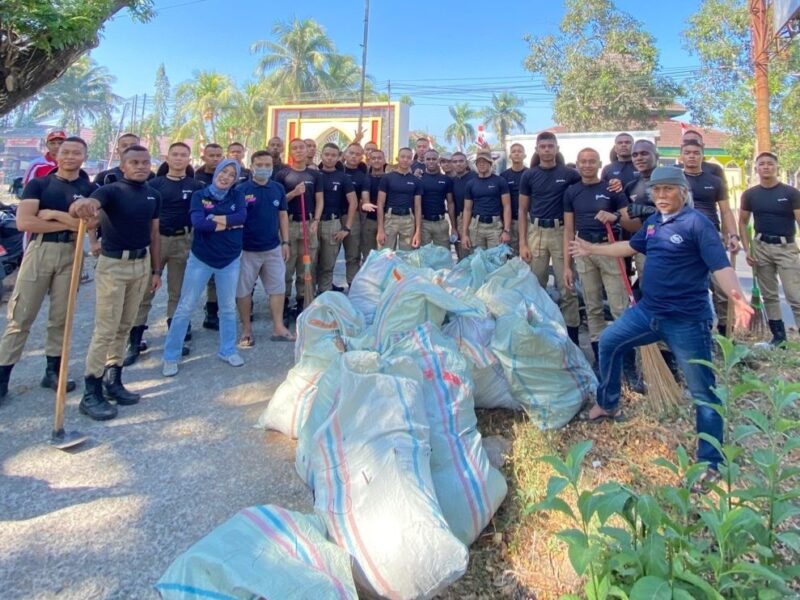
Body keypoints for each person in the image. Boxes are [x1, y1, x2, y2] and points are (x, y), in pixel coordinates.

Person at [570, 167, 752, 483]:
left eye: (669, 189)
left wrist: (737, 298)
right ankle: (609, 403)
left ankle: (711, 463)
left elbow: (720, 265)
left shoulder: (698, 224)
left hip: (687, 321)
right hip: (648, 312)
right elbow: (630, 247)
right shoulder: (653, 223)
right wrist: (590, 249)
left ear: (683, 192)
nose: (662, 196)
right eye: (657, 190)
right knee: (610, 340)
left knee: (702, 391)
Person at [69, 145, 162, 421]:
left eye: (145, 162)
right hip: (113, 265)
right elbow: (87, 206)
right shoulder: (110, 190)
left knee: (125, 325)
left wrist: (156, 270)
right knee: (106, 328)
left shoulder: (152, 195)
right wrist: (80, 206)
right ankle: (91, 392)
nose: (141, 166)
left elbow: (154, 235)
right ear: (123, 166)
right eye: (134, 162)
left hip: (141, 263)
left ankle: (113, 380)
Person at [0, 137, 92, 401]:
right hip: (40, 251)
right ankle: (3, 374)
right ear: (56, 155)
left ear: (84, 157)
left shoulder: (88, 187)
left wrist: (53, 215)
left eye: (76, 152)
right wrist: (70, 222)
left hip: (72, 253)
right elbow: (25, 222)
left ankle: (53, 371)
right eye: (65, 152)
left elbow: (91, 225)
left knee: (62, 317)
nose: (70, 157)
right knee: (21, 316)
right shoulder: (39, 184)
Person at [161, 159, 247, 377]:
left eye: (231, 174)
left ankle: (227, 350)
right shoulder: (200, 195)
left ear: (235, 179)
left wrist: (215, 219)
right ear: (216, 172)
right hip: (201, 259)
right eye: (223, 172)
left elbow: (242, 217)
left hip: (229, 260)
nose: (226, 177)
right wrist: (229, 223)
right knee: (185, 307)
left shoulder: (237, 195)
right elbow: (199, 223)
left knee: (227, 308)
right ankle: (171, 355)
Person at [124, 142, 204, 365]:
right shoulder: (153, 184)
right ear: (167, 158)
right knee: (145, 292)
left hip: (184, 241)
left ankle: (176, 338)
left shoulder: (195, 186)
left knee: (178, 292)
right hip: (157, 240)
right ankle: (134, 341)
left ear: (190, 159)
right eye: (175, 154)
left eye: (184, 155)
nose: (179, 158)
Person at [562, 148, 629, 367]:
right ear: (578, 164)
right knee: (593, 306)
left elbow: (627, 218)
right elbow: (568, 230)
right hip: (583, 249)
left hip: (609, 248)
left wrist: (615, 216)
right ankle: (600, 356)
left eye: (592, 161)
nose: (588, 165)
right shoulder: (571, 192)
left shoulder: (611, 189)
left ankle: (625, 357)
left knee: (619, 306)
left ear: (599, 164)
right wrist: (567, 266)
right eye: (583, 161)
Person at [518, 132, 581, 344]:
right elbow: (522, 209)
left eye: (550, 146)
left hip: (561, 232)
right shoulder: (529, 175)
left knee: (567, 286)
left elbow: (589, 187)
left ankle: (571, 338)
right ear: (537, 149)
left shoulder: (570, 174)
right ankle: (540, 333)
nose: (546, 150)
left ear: (557, 148)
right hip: (536, 232)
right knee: (536, 285)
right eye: (542, 146)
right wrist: (523, 243)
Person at [739, 152, 800, 346]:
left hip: (786, 247)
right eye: (762, 164)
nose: (766, 167)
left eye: (770, 164)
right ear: (756, 168)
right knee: (770, 296)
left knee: (795, 296)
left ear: (777, 167)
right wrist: (747, 249)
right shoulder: (750, 195)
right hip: (761, 247)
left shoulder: (791, 193)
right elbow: (742, 222)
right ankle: (779, 338)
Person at [681, 139, 739, 336]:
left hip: (711, 237)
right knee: (693, 288)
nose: (691, 156)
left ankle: (725, 333)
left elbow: (726, 211)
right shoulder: (675, 180)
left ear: (702, 155)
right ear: (681, 156)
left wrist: (732, 235)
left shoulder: (714, 181)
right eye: (687, 152)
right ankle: (700, 332)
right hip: (685, 239)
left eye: (696, 152)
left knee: (722, 289)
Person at [235, 151, 294, 346]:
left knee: (277, 288)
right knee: (243, 291)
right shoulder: (240, 190)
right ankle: (246, 330)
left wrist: (285, 242)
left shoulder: (277, 188)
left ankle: (278, 327)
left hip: (273, 249)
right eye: (259, 164)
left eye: (267, 165)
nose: (264, 168)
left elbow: (283, 215)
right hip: (246, 250)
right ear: (252, 167)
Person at [274, 139, 323, 318]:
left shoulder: (315, 175)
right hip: (289, 224)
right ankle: (284, 303)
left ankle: (303, 301)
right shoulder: (282, 174)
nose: (299, 151)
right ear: (290, 152)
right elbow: (278, 202)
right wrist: (294, 193)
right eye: (295, 148)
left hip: (308, 223)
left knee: (306, 266)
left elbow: (320, 200)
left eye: (302, 147)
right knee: (286, 266)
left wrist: (316, 221)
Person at [315, 143, 357, 293]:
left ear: (339, 157)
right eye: (327, 154)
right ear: (321, 155)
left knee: (328, 264)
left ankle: (325, 296)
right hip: (313, 223)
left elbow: (353, 202)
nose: (330, 158)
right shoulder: (313, 174)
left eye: (333, 155)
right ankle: (305, 299)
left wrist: (347, 228)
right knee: (310, 264)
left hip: (332, 223)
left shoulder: (343, 178)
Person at [462, 150, 511, 251]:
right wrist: (465, 234)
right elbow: (467, 209)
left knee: (497, 261)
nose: (482, 164)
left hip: (495, 227)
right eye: (479, 161)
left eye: (485, 161)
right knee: (477, 261)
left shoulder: (500, 181)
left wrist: (506, 230)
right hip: (476, 227)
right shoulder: (470, 184)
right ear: (476, 164)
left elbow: (507, 206)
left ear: (491, 163)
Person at [377, 147, 422, 250]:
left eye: (409, 157)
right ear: (398, 158)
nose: (405, 160)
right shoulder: (387, 178)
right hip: (390, 218)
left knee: (406, 257)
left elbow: (418, 207)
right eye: (403, 157)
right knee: (385, 254)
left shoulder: (416, 181)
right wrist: (380, 230)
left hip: (408, 220)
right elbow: (380, 204)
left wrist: (418, 231)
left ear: (412, 160)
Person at [342, 143, 370, 286]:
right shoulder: (335, 170)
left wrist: (366, 203)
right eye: (351, 153)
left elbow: (364, 195)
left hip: (353, 217)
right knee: (325, 256)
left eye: (358, 154)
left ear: (362, 157)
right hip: (332, 217)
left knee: (353, 255)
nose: (354, 156)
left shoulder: (363, 177)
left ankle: (352, 285)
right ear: (345, 154)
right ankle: (323, 288)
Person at [419, 150, 456, 249]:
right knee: (423, 257)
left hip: (441, 223)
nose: (431, 161)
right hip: (423, 222)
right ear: (424, 161)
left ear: (438, 161)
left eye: (434, 159)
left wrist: (453, 227)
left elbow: (450, 203)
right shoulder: (419, 179)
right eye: (428, 159)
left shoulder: (446, 180)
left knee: (443, 257)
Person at [500, 143, 528, 254]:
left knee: (528, 255)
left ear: (524, 155)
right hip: (511, 222)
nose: (516, 153)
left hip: (528, 221)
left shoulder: (530, 173)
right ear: (510, 156)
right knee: (512, 256)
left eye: (519, 151)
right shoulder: (503, 176)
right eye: (514, 151)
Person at [451, 151, 476, 260]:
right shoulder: (452, 181)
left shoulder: (476, 177)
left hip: (476, 220)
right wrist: (454, 226)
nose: (458, 164)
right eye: (455, 161)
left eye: (461, 161)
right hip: (460, 219)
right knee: (463, 254)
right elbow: (451, 204)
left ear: (466, 163)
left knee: (475, 253)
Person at [361, 149, 385, 258]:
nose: (376, 160)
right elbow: (365, 194)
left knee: (384, 255)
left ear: (384, 160)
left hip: (386, 221)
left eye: (379, 158)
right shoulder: (366, 178)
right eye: (373, 158)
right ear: (369, 161)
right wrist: (366, 203)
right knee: (368, 255)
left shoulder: (390, 178)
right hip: (369, 220)